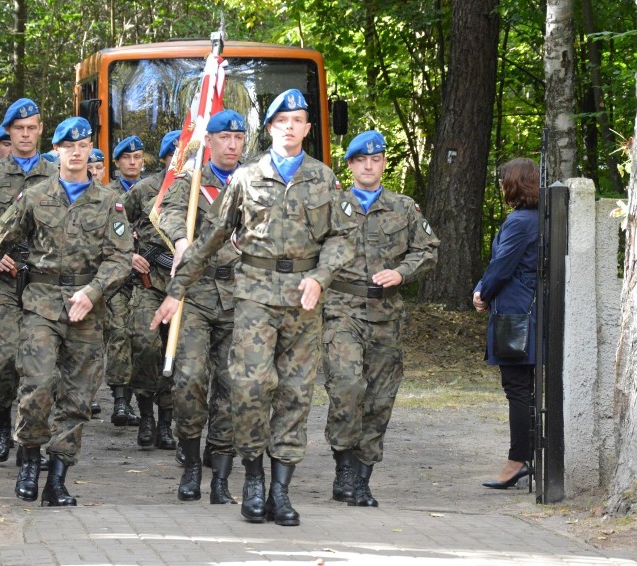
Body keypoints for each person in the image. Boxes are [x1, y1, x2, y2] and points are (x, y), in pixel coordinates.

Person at [151, 89, 356, 526]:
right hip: (254, 298)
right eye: (282, 121)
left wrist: (321, 277)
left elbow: (344, 238)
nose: (290, 127)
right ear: (270, 129)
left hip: (303, 299)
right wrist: (177, 289)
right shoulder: (247, 178)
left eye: (298, 120)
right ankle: (253, 479)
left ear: (306, 128)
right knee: (250, 388)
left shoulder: (325, 179)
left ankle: (281, 491)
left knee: (296, 394)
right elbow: (211, 239)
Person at [0, 116, 133, 506]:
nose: (77, 153)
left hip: (87, 310)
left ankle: (58, 477)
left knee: (77, 398)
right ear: (57, 151)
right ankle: (29, 460)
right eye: (69, 146)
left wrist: (94, 291)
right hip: (42, 303)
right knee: (37, 386)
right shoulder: (34, 196)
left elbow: (121, 258)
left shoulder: (108, 202)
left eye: (83, 146)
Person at [322, 130, 439, 507]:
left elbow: (429, 250)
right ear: (351, 164)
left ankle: (361, 478)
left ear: (384, 163)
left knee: (379, 399)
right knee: (346, 387)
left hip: (386, 314)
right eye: (361, 160)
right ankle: (343, 467)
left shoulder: (404, 208)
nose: (369, 165)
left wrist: (402, 273)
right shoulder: (331, 206)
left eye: (376, 159)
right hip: (342, 310)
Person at [158, 112, 245, 503]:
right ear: (208, 141)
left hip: (242, 297)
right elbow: (168, 212)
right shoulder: (191, 182)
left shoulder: (255, 182)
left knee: (231, 389)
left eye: (238, 137)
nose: (232, 144)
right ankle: (191, 464)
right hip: (194, 293)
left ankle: (222, 478)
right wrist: (179, 241)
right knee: (189, 380)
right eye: (224, 137)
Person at [0, 98, 58, 463]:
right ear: (8, 132)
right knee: (2, 358)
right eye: (18, 129)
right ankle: (0, 421)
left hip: (43, 281)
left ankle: (31, 435)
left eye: (32, 128)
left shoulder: (58, 177)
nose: (25, 135)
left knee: (40, 363)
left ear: (41, 130)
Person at [472, 157, 539, 490]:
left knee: (517, 390)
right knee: (526, 391)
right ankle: (525, 457)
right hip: (530, 312)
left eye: (502, 181)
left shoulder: (520, 222)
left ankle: (518, 460)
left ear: (513, 183)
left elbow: (501, 266)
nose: (500, 186)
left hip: (517, 313)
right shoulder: (540, 218)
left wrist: (483, 292)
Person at [120, 130, 181, 449]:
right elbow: (113, 226)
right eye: (174, 155)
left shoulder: (200, 191)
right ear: (164, 158)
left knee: (177, 354)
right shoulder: (143, 190)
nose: (179, 161)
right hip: (149, 285)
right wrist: (128, 255)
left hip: (185, 289)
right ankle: (145, 415)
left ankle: (166, 423)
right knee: (144, 346)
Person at [102, 135, 146, 428]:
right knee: (118, 333)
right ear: (117, 162)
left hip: (149, 277)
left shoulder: (156, 190)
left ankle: (146, 403)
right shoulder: (105, 194)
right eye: (127, 158)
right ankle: (120, 401)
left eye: (138, 157)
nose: (132, 162)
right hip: (117, 277)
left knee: (141, 337)